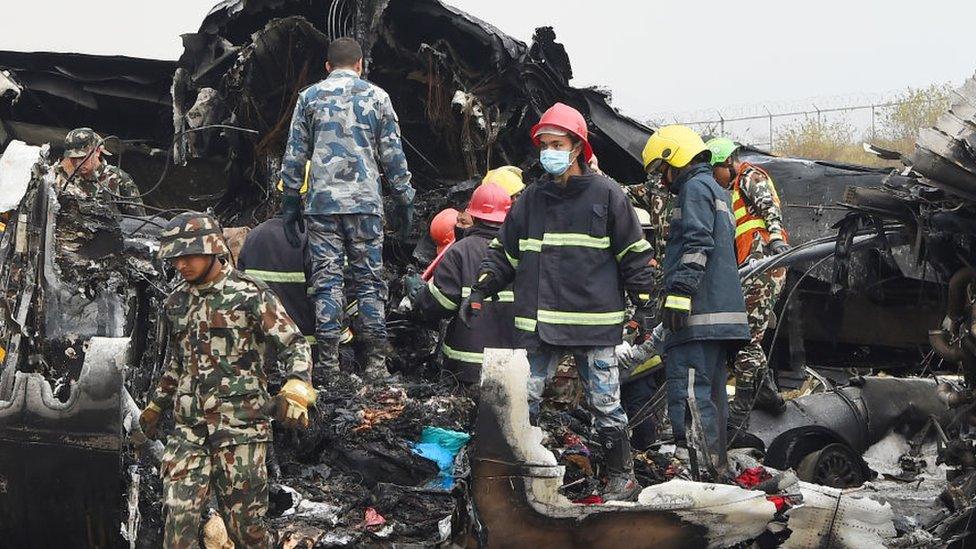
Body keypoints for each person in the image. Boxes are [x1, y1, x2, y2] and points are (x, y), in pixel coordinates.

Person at [462, 103, 656, 501]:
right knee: (524, 399)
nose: (548, 151)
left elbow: (634, 253)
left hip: (594, 323)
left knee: (605, 404)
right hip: (539, 323)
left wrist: (644, 303)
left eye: (557, 144)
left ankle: (623, 476)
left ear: (578, 147)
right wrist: (480, 288)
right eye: (544, 145)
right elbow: (504, 253)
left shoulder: (607, 194)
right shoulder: (532, 199)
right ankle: (523, 473)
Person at [139, 212, 315, 548]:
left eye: (189, 255)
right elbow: (177, 364)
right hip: (189, 432)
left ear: (213, 249)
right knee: (177, 527)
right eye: (176, 258)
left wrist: (296, 385)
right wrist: (154, 407)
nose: (182, 265)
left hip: (241, 431)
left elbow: (293, 344)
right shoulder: (176, 303)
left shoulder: (250, 295)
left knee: (247, 530)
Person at [279, 37, 415, 380]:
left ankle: (327, 364)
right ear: (360, 65)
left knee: (327, 283)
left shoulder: (309, 98)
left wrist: (291, 198)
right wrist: (404, 198)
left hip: (322, 206)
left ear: (327, 67)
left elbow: (295, 153)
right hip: (365, 206)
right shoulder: (377, 98)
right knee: (368, 283)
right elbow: (392, 156)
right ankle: (376, 364)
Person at [641, 125, 750, 470]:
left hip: (698, 318)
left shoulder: (693, 189)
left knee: (689, 396)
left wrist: (678, 293)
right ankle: (716, 473)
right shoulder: (717, 190)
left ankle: (700, 475)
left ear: (676, 158)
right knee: (713, 398)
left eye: (662, 169)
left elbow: (697, 243)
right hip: (721, 319)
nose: (662, 181)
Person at [706, 137, 789, 428]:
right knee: (743, 334)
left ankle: (742, 408)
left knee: (745, 336)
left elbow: (768, 207)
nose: (713, 177)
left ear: (727, 162)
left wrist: (776, 238)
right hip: (750, 267)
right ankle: (766, 392)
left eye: (713, 169)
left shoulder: (750, 176)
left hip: (764, 262)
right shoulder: (730, 192)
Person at [414, 183, 515, 388]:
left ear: (474, 217)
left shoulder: (460, 251)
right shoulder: (521, 249)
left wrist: (420, 294)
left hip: (465, 366)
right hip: (512, 364)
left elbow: (441, 303)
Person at [54, 127, 146, 216]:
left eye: (82, 157)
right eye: (73, 158)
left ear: (97, 151)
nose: (78, 163)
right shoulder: (67, 178)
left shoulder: (117, 179)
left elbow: (140, 222)